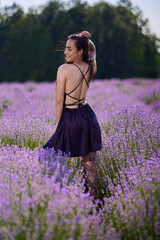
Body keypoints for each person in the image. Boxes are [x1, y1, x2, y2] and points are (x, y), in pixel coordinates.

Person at [43, 31, 102, 198]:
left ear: (79, 51)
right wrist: (87, 40)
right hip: (88, 116)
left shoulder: (64, 69)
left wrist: (59, 124)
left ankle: (58, 195)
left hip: (71, 116)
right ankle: (92, 198)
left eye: (69, 49)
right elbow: (92, 52)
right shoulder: (90, 67)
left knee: (47, 155)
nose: (65, 52)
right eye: (65, 49)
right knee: (88, 161)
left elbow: (58, 101)